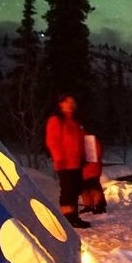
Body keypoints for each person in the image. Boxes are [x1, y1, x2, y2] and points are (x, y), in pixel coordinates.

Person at [45, 93, 91, 229]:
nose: (71, 105)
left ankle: (74, 216)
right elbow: (52, 141)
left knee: (75, 189)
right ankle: (67, 219)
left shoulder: (75, 122)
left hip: (77, 162)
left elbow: (82, 141)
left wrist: (85, 158)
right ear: (61, 104)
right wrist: (59, 159)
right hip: (64, 163)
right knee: (68, 190)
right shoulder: (56, 120)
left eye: (73, 102)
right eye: (67, 102)